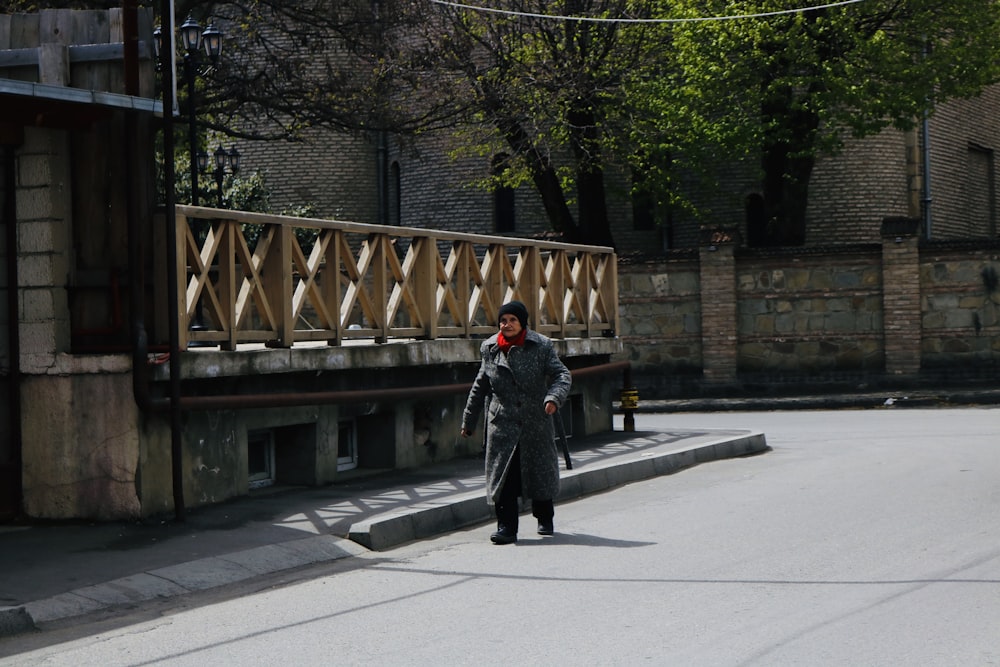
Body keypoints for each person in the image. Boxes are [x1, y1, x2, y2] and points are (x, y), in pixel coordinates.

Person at [460, 300, 572, 544]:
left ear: (522, 323)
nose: (506, 325)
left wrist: (553, 398)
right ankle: (506, 528)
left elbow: (562, 374)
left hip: (535, 419)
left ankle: (544, 516)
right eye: (503, 320)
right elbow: (481, 384)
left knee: (538, 472)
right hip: (503, 421)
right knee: (504, 477)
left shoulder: (541, 345)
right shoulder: (489, 348)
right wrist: (469, 420)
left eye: (512, 320)